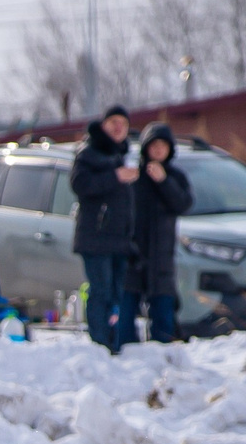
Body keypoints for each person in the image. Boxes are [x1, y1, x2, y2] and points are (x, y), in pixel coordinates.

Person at [70, 104, 142, 351]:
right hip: (96, 238)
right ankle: (99, 344)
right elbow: (80, 184)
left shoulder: (122, 154)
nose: (119, 128)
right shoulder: (89, 153)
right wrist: (115, 177)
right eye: (114, 123)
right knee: (100, 292)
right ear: (103, 126)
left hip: (120, 239)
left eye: (124, 124)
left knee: (116, 294)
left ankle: (113, 342)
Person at [133, 120, 193, 342]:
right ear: (145, 148)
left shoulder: (175, 176)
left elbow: (184, 204)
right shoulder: (136, 176)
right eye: (153, 145)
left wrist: (163, 181)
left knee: (164, 309)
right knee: (129, 305)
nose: (158, 149)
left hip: (163, 256)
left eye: (163, 145)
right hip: (135, 254)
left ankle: (164, 349)